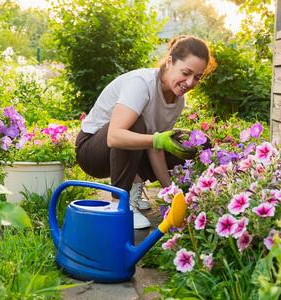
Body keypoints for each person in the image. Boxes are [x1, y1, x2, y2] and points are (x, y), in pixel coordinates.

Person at [75, 35, 211, 229]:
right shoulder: (142, 83)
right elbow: (114, 136)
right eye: (186, 72)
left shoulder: (177, 100)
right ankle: (121, 204)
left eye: (197, 77)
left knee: (193, 142)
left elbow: (154, 145)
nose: (190, 83)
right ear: (170, 61)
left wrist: (171, 193)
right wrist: (157, 140)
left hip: (121, 151)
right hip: (92, 151)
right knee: (134, 125)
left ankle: (134, 189)